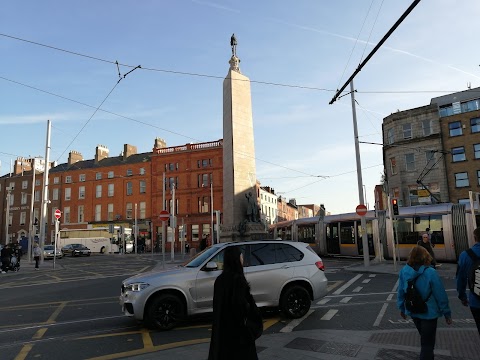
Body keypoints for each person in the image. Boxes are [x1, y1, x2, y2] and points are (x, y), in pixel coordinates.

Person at [397, 246, 452, 360]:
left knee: (425, 339)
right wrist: (446, 313)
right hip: (429, 313)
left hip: (413, 311)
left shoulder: (404, 271)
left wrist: (402, 308)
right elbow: (440, 294)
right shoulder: (431, 272)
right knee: (427, 345)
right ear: (426, 256)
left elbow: (401, 292)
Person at [208, 246, 259, 360]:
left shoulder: (220, 280)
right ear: (236, 259)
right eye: (241, 256)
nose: (242, 259)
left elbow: (217, 309)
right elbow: (243, 309)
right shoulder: (239, 281)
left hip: (223, 336)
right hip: (239, 339)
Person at [456, 227, 480, 335]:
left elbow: (460, 279)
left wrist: (462, 296)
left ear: (475, 238)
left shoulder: (465, 255)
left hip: (476, 301)